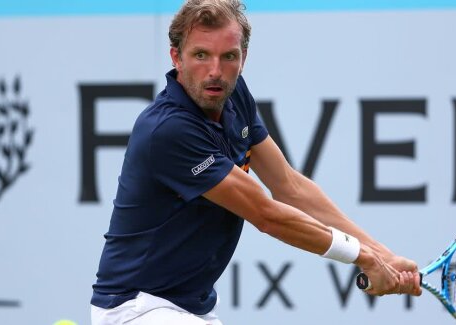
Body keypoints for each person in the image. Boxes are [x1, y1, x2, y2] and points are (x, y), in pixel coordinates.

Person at [90, 0, 422, 324]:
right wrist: (363, 256)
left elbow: (290, 187)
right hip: (136, 308)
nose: (215, 72)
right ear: (177, 57)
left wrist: (383, 255)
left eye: (229, 56)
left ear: (243, 57)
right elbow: (267, 215)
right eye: (201, 55)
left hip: (194, 307)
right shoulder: (167, 131)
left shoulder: (232, 95)